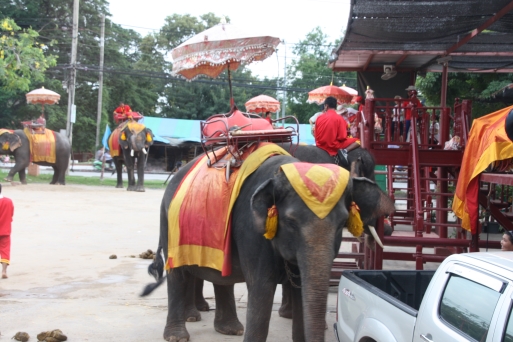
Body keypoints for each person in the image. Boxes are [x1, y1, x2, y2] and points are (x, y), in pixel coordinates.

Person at [315, 96, 360, 163]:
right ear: (335, 106)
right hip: (333, 146)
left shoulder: (319, 117)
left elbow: (315, 135)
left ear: (326, 106)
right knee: (358, 141)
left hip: (320, 144)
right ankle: (345, 151)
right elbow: (342, 137)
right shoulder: (339, 118)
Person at [0, 183, 14, 279]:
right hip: (5, 230)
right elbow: (11, 214)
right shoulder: (8, 201)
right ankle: (4, 271)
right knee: (5, 250)